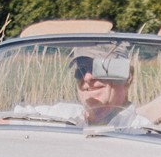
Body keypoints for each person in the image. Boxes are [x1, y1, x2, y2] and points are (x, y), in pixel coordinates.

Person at [13, 43, 148, 127]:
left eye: (100, 68)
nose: (87, 77)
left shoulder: (140, 130)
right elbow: (13, 120)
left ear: (126, 77)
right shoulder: (63, 116)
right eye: (81, 69)